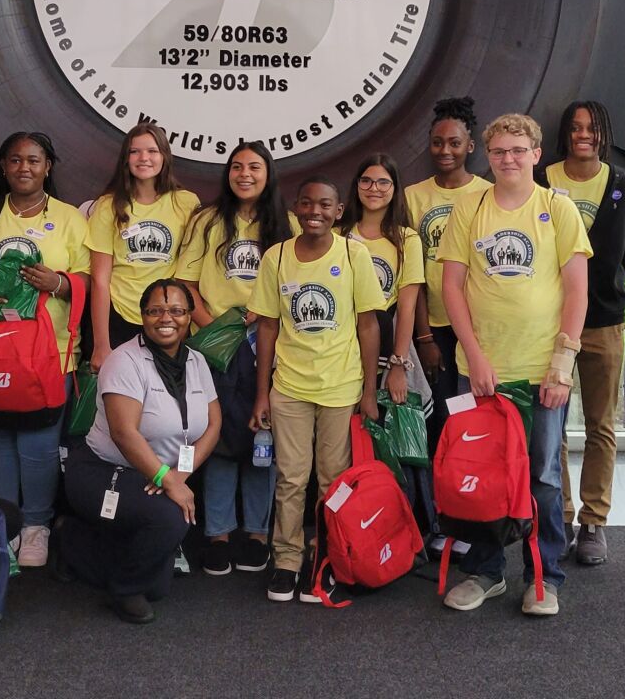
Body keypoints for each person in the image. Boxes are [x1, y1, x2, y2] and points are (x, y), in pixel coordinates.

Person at [439, 112, 591, 616]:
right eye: (500, 152)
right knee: (480, 472)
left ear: (535, 154)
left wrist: (562, 365)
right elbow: (452, 287)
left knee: (543, 477)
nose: (509, 159)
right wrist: (476, 358)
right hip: (481, 370)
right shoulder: (468, 207)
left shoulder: (558, 209)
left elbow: (576, 291)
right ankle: (485, 572)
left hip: (540, 369)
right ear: (489, 155)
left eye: (518, 151)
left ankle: (543, 576)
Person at [249, 174, 387, 603]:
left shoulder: (353, 254)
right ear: (296, 208)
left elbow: (368, 325)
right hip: (288, 386)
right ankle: (287, 560)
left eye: (325, 205)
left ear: (339, 211)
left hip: (341, 386)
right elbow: (268, 327)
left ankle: (326, 557)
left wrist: (368, 391)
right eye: (307, 204)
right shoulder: (277, 257)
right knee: (291, 478)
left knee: (333, 481)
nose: (315, 213)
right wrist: (261, 393)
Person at [0, 131, 90, 568]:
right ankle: (1, 525)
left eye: (33, 160)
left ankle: (35, 526)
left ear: (48, 166)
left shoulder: (70, 218)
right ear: (2, 165)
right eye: (15, 160)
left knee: (39, 443)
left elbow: (90, 279)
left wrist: (60, 283)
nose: (24, 168)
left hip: (49, 353)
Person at [57, 281, 221, 624]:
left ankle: (77, 542)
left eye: (177, 310)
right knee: (171, 520)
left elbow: (211, 426)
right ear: (141, 315)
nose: (167, 318)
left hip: (158, 475)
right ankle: (123, 587)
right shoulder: (124, 360)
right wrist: (166, 479)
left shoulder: (197, 362)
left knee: (159, 583)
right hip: (101, 472)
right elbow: (124, 433)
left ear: (190, 317)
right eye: (155, 311)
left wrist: (181, 474)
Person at [174, 141, 294, 577]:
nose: (245, 174)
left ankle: (258, 533)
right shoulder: (207, 221)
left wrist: (260, 331)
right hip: (214, 343)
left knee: (263, 436)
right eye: (237, 166)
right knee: (219, 436)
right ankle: (219, 532)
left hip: (271, 342)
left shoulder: (288, 224)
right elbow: (187, 283)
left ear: (269, 174)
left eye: (255, 167)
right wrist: (214, 329)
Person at [539, 101, 625, 566]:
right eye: (576, 128)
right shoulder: (542, 180)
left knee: (602, 426)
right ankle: (558, 515)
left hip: (603, 323)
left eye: (592, 128)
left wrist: (602, 292)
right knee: (551, 426)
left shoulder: (623, 186)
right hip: (548, 326)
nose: (584, 134)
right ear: (565, 133)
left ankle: (594, 521)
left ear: (604, 133)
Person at [339, 153, 435, 535]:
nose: (373, 189)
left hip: (390, 347)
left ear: (394, 189)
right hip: (346, 348)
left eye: (383, 182)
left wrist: (398, 364)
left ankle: (406, 529)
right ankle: (356, 527)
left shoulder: (406, 238)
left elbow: (407, 303)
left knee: (395, 441)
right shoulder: (340, 233)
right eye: (366, 181)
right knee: (352, 441)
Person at [403, 97, 489, 426]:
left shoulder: (486, 194)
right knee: (440, 415)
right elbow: (412, 275)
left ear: (469, 146)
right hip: (433, 326)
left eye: (454, 143)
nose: (445, 150)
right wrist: (423, 338)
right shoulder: (413, 196)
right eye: (437, 143)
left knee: (471, 414)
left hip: (475, 324)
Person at [89, 122, 200, 370]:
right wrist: (101, 344)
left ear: (164, 156)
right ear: (125, 159)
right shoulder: (108, 206)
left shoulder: (186, 202)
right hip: (120, 316)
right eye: (135, 151)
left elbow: (190, 273)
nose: (144, 158)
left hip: (167, 317)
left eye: (151, 151)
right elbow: (99, 280)